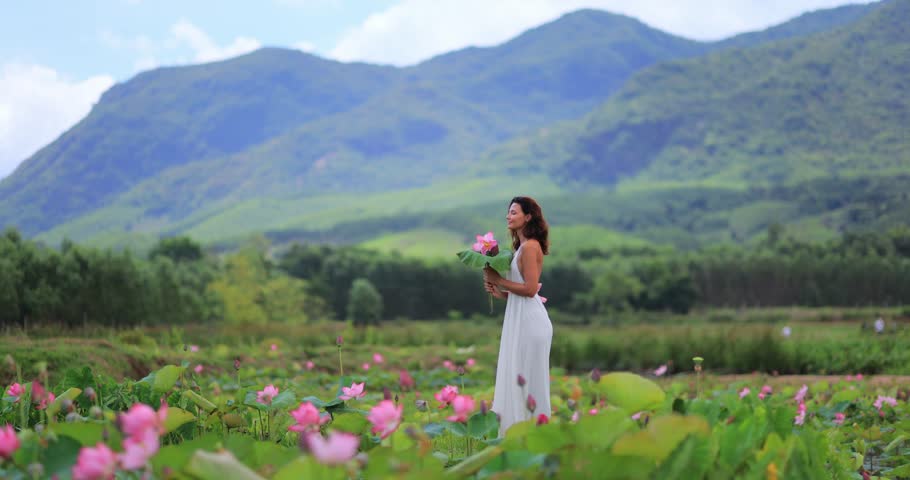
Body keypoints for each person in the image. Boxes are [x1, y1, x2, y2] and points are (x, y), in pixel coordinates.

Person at [483, 196, 553, 436]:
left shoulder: (531, 246)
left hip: (532, 324)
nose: (508, 216)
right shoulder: (522, 248)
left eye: (513, 212)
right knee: (517, 375)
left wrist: (499, 280)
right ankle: (517, 432)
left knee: (528, 379)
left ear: (528, 216)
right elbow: (523, 290)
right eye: (508, 212)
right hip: (523, 317)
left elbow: (532, 289)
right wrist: (502, 293)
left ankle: (534, 433)